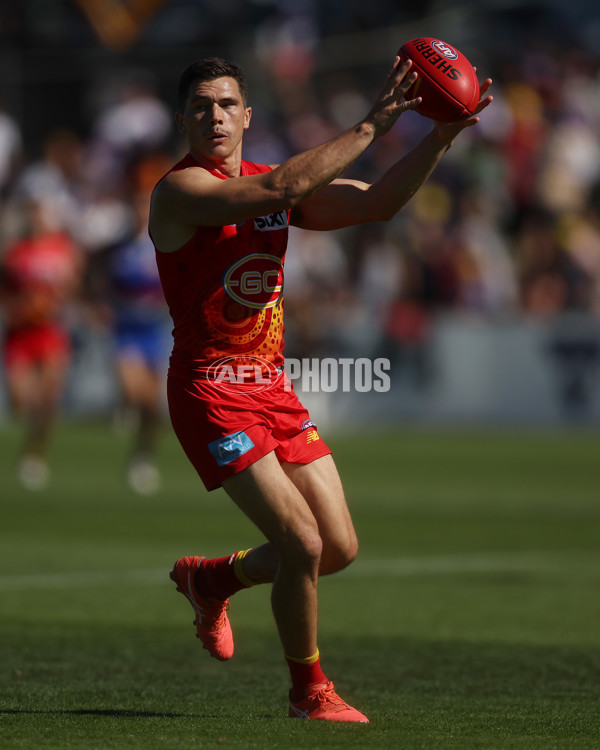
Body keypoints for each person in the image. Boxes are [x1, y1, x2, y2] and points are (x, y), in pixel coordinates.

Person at [149, 56, 492, 722]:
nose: (213, 117)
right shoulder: (179, 191)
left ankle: (211, 578)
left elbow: (377, 204)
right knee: (302, 545)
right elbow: (280, 189)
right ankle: (309, 692)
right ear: (182, 119)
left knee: (337, 549)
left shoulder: (267, 182)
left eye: (225, 105)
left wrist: (441, 134)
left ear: (246, 117)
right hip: (211, 393)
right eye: (199, 106)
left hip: (271, 388)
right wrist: (372, 123)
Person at [0, 196, 81, 489]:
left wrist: (55, 302)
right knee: (22, 400)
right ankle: (30, 445)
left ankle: (35, 455)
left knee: (48, 400)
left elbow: (72, 288)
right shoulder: (14, 253)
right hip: (20, 335)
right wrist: (16, 308)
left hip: (49, 332)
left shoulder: (61, 250)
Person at [106, 189, 170, 495]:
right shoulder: (119, 251)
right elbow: (107, 288)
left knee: (153, 408)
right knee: (135, 392)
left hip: (156, 332)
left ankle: (142, 456)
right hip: (127, 332)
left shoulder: (164, 246)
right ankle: (124, 408)